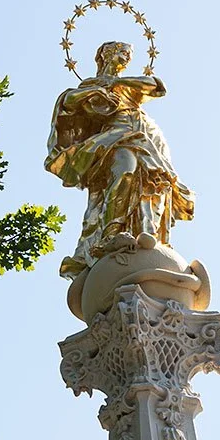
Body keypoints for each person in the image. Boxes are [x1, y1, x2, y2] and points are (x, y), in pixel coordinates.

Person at [46, 41, 195, 280]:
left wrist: (116, 84)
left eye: (129, 53)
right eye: (122, 51)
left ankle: (147, 231)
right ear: (106, 54)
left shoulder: (126, 84)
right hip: (116, 134)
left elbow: (156, 86)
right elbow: (68, 102)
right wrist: (95, 92)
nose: (126, 57)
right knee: (126, 170)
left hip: (147, 132)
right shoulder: (91, 85)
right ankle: (111, 234)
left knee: (155, 183)